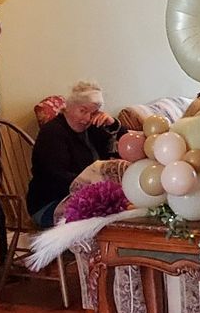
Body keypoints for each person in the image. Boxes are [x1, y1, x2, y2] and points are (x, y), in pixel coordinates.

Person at [26, 80, 126, 228]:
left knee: (125, 206)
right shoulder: (52, 133)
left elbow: (127, 146)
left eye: (93, 113)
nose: (86, 119)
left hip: (88, 195)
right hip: (49, 203)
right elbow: (56, 177)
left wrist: (113, 125)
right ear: (68, 107)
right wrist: (97, 189)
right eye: (83, 111)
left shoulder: (93, 128)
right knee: (104, 216)